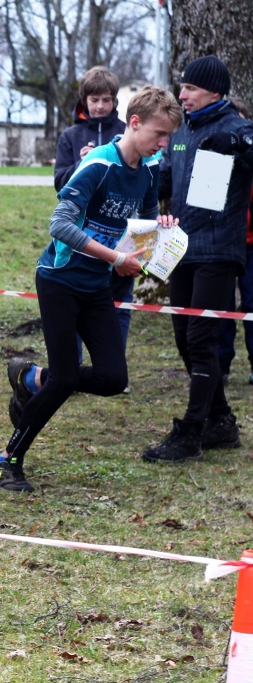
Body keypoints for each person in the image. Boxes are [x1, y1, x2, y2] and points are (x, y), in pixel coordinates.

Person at [0, 86, 181, 492]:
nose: (163, 145)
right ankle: (6, 460)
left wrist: (158, 230)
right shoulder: (98, 165)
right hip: (59, 280)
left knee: (113, 378)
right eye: (159, 135)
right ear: (135, 123)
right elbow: (59, 225)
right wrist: (115, 258)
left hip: (97, 284)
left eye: (168, 139)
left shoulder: (147, 172)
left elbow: (144, 222)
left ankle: (29, 377)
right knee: (63, 379)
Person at [143, 56, 253, 464]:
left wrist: (240, 145)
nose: (182, 94)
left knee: (201, 339)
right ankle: (221, 421)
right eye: (182, 87)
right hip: (180, 250)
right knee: (183, 340)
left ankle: (191, 432)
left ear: (215, 92)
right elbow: (164, 180)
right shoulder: (182, 132)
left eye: (189, 88)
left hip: (219, 252)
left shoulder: (237, 128)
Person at [55, 67, 133, 354]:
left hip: (119, 228)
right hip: (79, 229)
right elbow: (59, 182)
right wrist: (82, 165)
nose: (100, 106)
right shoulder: (71, 136)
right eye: (94, 100)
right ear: (84, 100)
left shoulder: (126, 133)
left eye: (106, 100)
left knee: (119, 305)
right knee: (74, 300)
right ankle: (70, 368)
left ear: (114, 101)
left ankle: (114, 363)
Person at [216, 96, 252, 384]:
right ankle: (222, 363)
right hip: (224, 244)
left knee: (251, 303)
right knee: (222, 306)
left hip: (251, 244)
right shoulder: (217, 161)